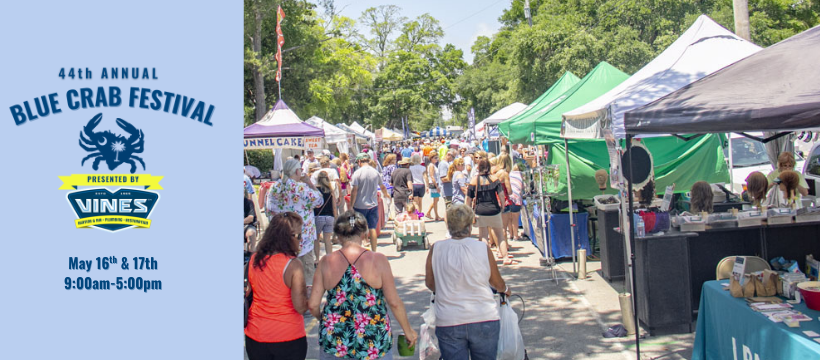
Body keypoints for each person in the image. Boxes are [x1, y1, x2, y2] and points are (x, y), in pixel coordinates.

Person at [308, 212, 417, 360]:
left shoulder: (326, 262)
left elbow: (313, 305)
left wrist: (324, 319)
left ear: (338, 235)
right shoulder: (378, 260)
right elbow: (394, 302)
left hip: (335, 342)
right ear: (364, 234)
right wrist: (408, 330)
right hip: (373, 341)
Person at [425, 204, 510, 359]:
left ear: (449, 226)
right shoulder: (482, 248)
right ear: (470, 226)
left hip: (449, 319)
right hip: (483, 317)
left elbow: (430, 283)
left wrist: (445, 288)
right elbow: (497, 283)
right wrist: (505, 289)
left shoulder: (437, 248)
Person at [245, 212, 309, 360]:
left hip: (256, 334)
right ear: (287, 238)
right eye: (298, 236)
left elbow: (249, 291)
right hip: (288, 336)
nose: (301, 239)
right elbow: (300, 307)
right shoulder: (293, 265)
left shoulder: (255, 259)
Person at [267, 159, 324, 285]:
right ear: (297, 171)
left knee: (284, 278)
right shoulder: (301, 188)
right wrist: (309, 183)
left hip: (280, 239)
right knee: (305, 280)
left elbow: (269, 210)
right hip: (302, 240)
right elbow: (319, 200)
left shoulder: (274, 187)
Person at [467, 159, 511, 265]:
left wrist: (468, 210)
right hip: (494, 209)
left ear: (478, 168)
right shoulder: (495, 179)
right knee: (500, 235)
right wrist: (502, 205)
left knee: (483, 235)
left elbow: (468, 198)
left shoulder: (474, 180)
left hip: (480, 210)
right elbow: (501, 195)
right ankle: (505, 258)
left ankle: (485, 259)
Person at [349, 153, 391, 252]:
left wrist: (351, 205)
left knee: (358, 229)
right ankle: (374, 251)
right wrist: (386, 195)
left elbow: (354, 190)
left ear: (359, 161)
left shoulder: (357, 173)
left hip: (359, 205)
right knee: (372, 228)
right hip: (373, 205)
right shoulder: (375, 172)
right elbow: (382, 187)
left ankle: (358, 250)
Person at [314, 171, 338, 258]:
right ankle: (329, 258)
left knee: (316, 239)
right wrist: (335, 217)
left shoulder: (315, 190)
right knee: (327, 240)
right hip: (329, 217)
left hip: (318, 216)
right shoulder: (330, 190)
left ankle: (317, 258)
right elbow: (334, 206)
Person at [507, 162, 524, 241]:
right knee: (515, 218)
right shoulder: (521, 176)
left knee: (509, 218)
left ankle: (511, 234)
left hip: (509, 197)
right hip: (516, 198)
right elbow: (522, 187)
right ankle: (516, 236)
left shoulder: (509, 174)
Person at [425, 154, 443, 221]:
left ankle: (429, 212)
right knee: (435, 200)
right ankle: (436, 215)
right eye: (435, 158)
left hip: (435, 183)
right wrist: (436, 186)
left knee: (436, 200)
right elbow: (432, 176)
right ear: (431, 158)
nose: (436, 159)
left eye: (437, 158)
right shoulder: (431, 165)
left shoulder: (433, 165)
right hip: (434, 184)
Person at [245, 189, 259, 253]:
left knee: (251, 232)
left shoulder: (248, 203)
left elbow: (250, 218)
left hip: (246, 226)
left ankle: (251, 255)